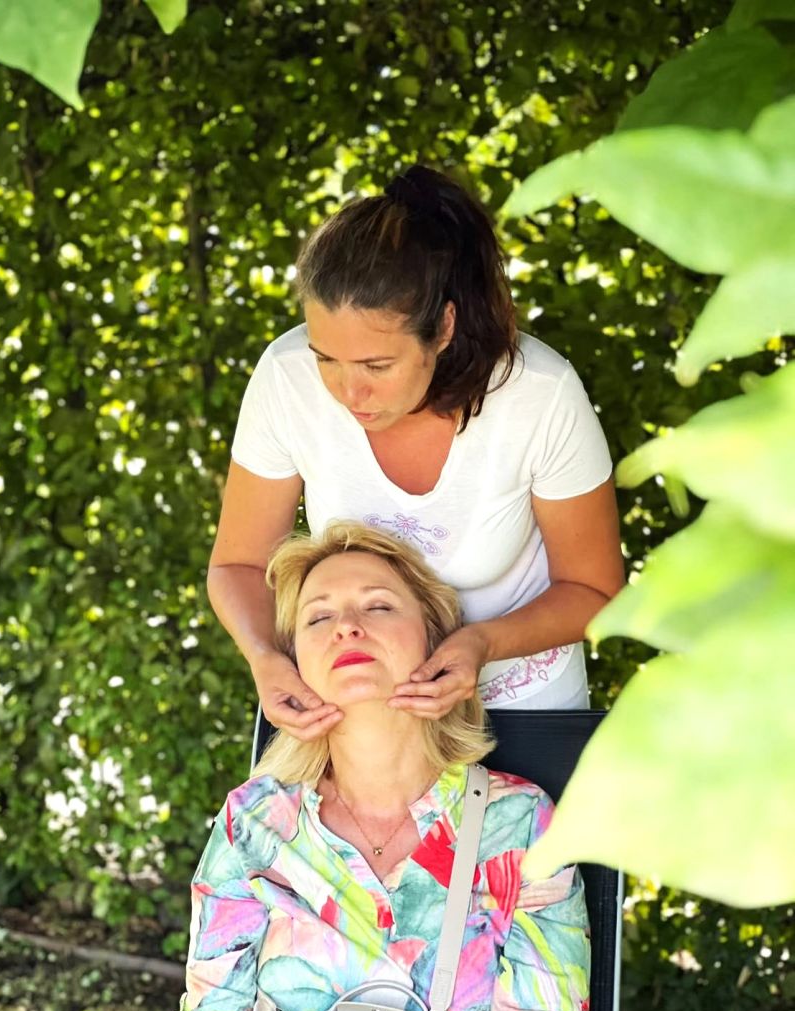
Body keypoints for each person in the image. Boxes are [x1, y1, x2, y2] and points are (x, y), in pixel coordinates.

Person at [208, 165, 625, 739]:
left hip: (522, 709)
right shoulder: (285, 379)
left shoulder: (539, 395)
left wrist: (480, 645)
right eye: (326, 358)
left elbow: (596, 592)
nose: (349, 393)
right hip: (362, 723)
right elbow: (239, 565)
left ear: (444, 327)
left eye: (378, 366)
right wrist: (266, 657)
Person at [171, 524, 590, 1011]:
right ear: (295, 664)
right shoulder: (254, 820)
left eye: (378, 606)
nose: (346, 626)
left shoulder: (521, 823)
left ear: (435, 643)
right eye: (319, 616)